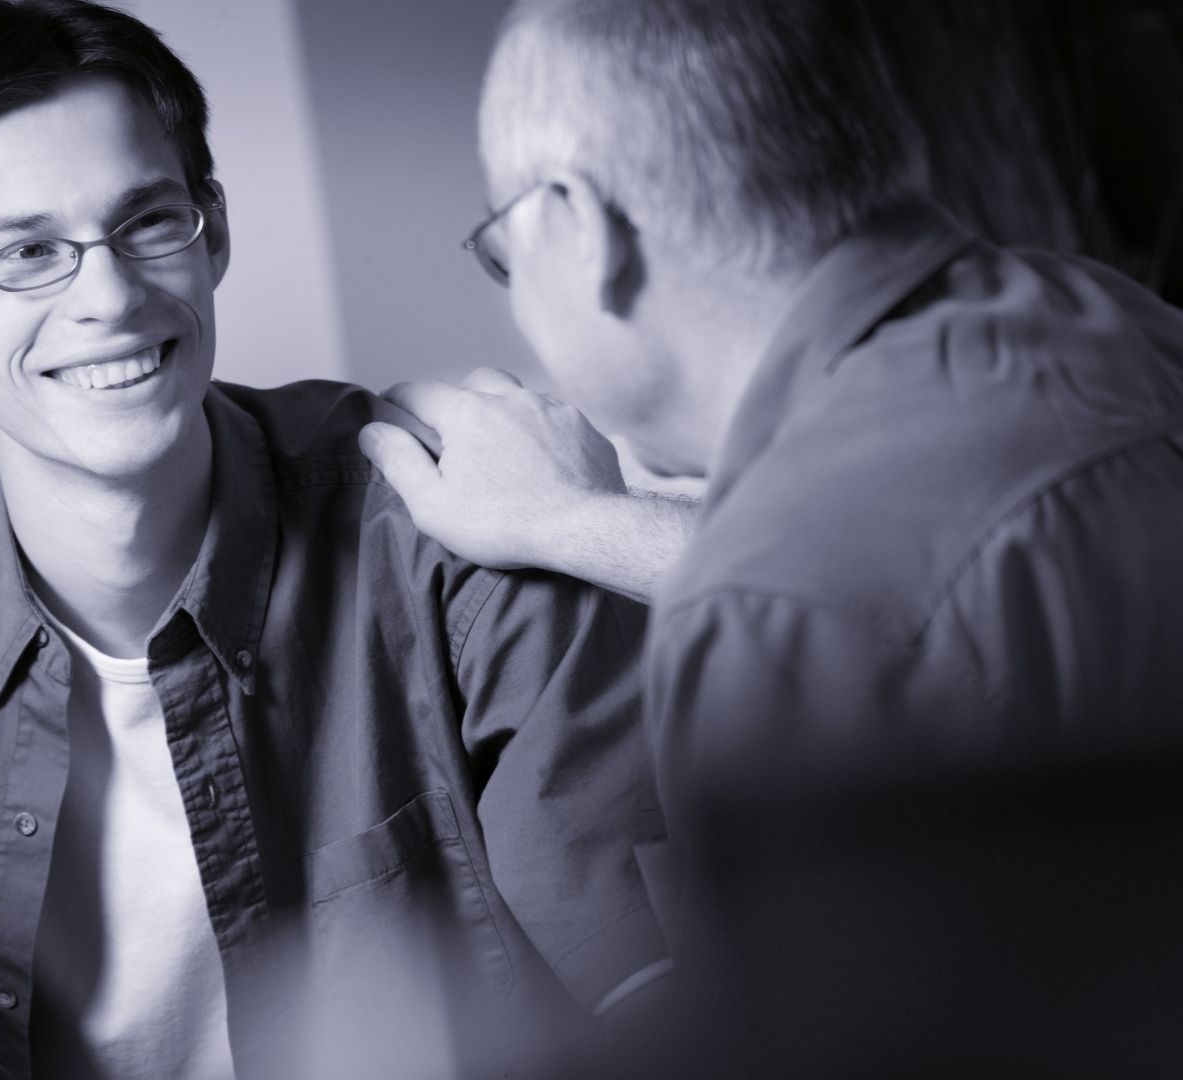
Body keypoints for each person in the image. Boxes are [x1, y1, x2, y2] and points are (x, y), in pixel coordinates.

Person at [0, 3, 667, 1077]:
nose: (113, 298)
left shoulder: (452, 522)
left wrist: (592, 525)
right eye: (27, 254)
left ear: (212, 233)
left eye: (147, 224)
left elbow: (661, 1003)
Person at [358, 0, 1183, 1072]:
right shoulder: (1118, 322)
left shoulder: (773, 604)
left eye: (501, 248)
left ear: (578, 225)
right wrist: (576, 521)